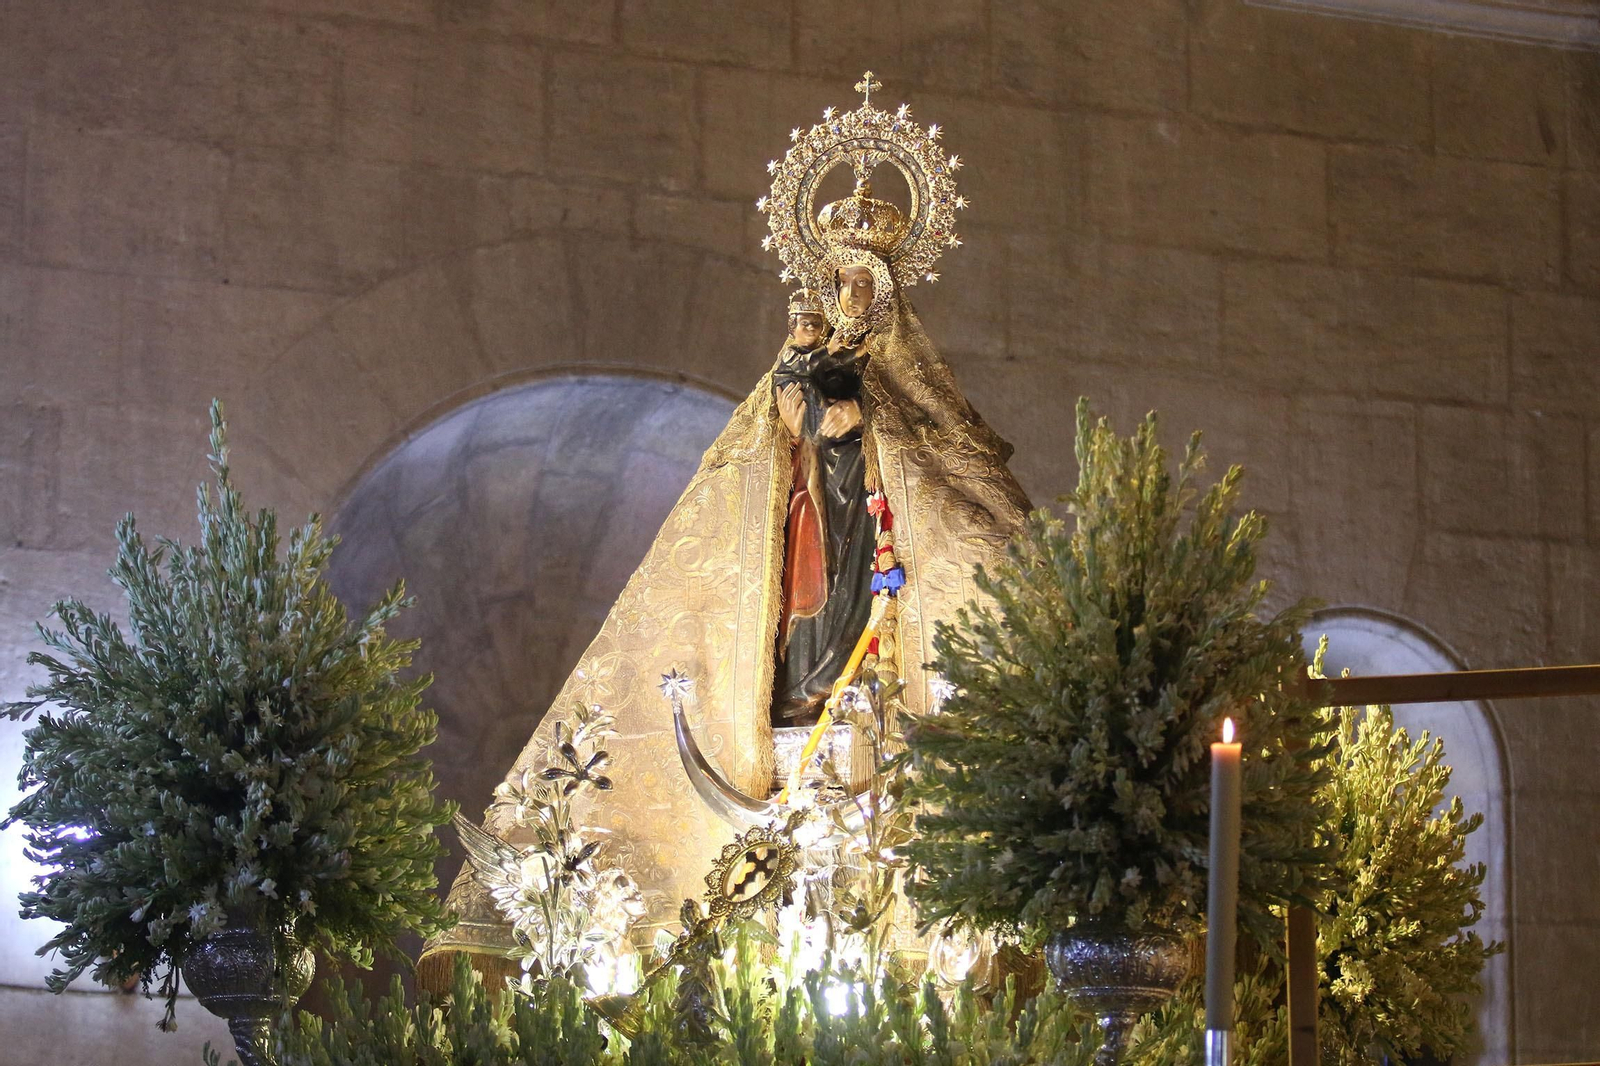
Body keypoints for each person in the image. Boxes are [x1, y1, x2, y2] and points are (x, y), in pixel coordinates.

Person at [419, 76, 1032, 989]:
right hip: (806, 533)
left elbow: (954, 473)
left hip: (878, 551)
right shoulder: (806, 358)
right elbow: (769, 436)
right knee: (801, 619)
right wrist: (799, 404)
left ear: (890, 294)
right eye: (839, 282)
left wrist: (861, 428)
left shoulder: (906, 391)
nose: (850, 295)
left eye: (865, 283)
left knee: (852, 614)